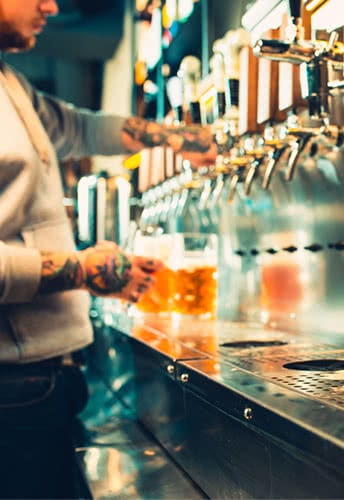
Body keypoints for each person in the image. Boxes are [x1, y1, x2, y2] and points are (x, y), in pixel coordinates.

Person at [0, 0, 216, 498]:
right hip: (12, 393)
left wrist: (173, 136)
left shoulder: (10, 82)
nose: (51, 5)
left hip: (42, 385)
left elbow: (76, 127)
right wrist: (81, 270)